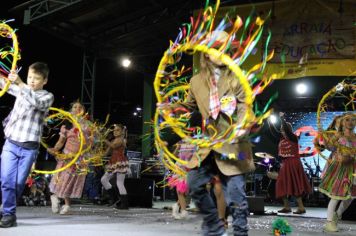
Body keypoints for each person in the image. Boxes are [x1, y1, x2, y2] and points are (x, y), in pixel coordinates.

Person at [159, 31, 255, 236]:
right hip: (207, 147)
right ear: (206, 52)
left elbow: (245, 108)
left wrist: (243, 124)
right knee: (193, 184)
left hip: (234, 147)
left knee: (236, 193)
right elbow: (189, 106)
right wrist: (170, 107)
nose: (219, 52)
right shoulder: (196, 81)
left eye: (223, 48)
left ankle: (240, 231)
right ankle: (214, 226)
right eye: (214, 47)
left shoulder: (238, 78)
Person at [0, 62, 54, 228]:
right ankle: (9, 214)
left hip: (29, 148)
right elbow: (5, 85)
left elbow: (35, 101)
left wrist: (20, 83)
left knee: (17, 184)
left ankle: (7, 210)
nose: (31, 81)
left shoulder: (47, 97)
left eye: (36, 79)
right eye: (30, 77)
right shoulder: (21, 89)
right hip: (11, 143)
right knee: (7, 181)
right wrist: (9, 78)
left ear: (44, 80)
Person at [48, 101, 92, 215]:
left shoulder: (88, 125)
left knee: (72, 181)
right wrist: (54, 149)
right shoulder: (66, 125)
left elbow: (91, 143)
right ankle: (57, 197)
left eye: (80, 107)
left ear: (83, 110)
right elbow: (61, 141)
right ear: (71, 109)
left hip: (80, 158)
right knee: (64, 179)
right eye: (74, 107)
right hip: (67, 156)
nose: (77, 108)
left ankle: (65, 204)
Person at [318, 113, 356, 232]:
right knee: (336, 195)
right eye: (347, 120)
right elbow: (329, 147)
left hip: (353, 168)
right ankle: (329, 222)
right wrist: (321, 132)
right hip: (340, 169)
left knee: (351, 196)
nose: (351, 122)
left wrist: (351, 156)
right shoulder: (338, 135)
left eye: (353, 120)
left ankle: (337, 215)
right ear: (342, 122)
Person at [275, 112, 312, 214]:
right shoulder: (282, 139)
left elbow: (286, 129)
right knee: (281, 184)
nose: (282, 131)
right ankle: (287, 207)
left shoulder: (293, 137)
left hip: (293, 163)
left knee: (294, 185)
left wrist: (282, 118)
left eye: (283, 129)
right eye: (281, 129)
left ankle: (301, 207)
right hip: (285, 164)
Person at [100, 124, 130, 209]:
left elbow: (113, 146)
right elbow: (106, 153)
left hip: (120, 162)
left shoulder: (122, 139)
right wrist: (97, 156)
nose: (115, 132)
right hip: (113, 162)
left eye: (118, 130)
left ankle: (124, 204)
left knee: (119, 183)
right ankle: (115, 198)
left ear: (122, 131)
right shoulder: (114, 140)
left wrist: (104, 139)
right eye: (114, 130)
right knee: (104, 179)